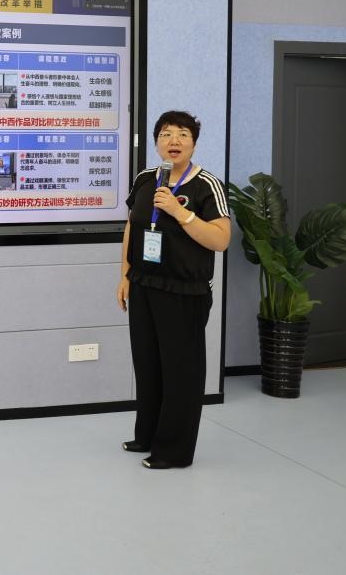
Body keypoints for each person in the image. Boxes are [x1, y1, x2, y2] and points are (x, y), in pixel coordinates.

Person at [117, 110, 230, 469]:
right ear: (157, 143)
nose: (174, 141)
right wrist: (125, 274)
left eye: (183, 134)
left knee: (181, 371)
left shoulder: (206, 185)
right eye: (166, 134)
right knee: (148, 364)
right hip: (144, 284)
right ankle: (147, 435)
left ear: (193, 143)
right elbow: (132, 226)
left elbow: (221, 240)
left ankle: (173, 451)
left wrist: (180, 213)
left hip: (184, 291)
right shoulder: (145, 179)